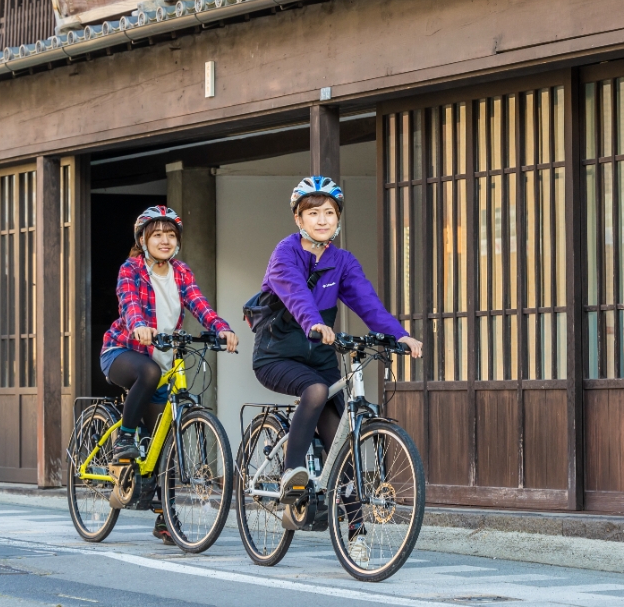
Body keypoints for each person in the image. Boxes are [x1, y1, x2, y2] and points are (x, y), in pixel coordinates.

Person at [253, 176, 423, 497]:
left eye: (329, 212)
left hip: (320, 356)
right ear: (298, 218)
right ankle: (292, 471)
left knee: (341, 445)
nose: (322, 220)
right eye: (313, 213)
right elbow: (296, 294)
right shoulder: (285, 253)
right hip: (277, 354)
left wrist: (400, 336)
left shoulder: (342, 261)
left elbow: (368, 304)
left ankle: (356, 534)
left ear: (338, 218)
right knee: (316, 390)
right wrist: (315, 323)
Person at [99, 206, 238, 542]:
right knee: (147, 372)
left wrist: (222, 329)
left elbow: (199, 304)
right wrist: (140, 326)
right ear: (143, 240)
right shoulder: (132, 268)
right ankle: (125, 439)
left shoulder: (181, 272)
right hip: (123, 352)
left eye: (171, 235)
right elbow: (129, 303)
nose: (165, 240)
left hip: (165, 360)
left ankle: (165, 518)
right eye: (157, 234)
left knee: (166, 440)